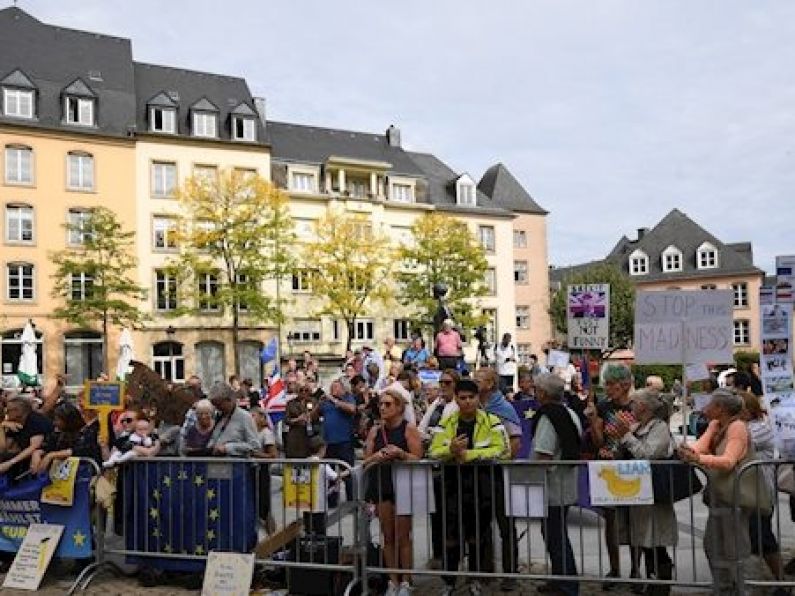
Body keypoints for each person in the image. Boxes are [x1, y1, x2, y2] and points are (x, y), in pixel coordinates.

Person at [428, 378, 509, 596]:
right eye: (462, 398)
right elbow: (433, 451)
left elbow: (503, 450)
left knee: (477, 538)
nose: (466, 402)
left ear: (477, 398)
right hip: (451, 487)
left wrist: (469, 455)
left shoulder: (492, 421)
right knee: (450, 538)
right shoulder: (446, 423)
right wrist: (451, 450)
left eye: (471, 397)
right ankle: (449, 582)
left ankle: (475, 580)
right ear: (456, 399)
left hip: (480, 487)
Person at [677, 389, 754, 593]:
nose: (706, 407)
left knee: (734, 545)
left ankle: (742, 587)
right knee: (713, 544)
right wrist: (688, 450)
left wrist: (698, 458)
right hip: (719, 495)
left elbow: (729, 461)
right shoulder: (716, 424)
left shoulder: (737, 427)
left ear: (720, 408)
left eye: (710, 404)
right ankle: (723, 586)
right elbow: (701, 446)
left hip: (735, 496)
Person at [612, 389, 677, 596]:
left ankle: (660, 586)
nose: (631, 407)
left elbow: (648, 454)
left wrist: (626, 436)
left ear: (645, 407)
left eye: (634, 403)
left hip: (654, 494)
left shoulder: (659, 428)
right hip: (637, 493)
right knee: (644, 541)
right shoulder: (636, 426)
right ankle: (652, 582)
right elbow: (624, 450)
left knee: (656, 542)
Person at [363, 387, 423, 596]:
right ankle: (393, 580)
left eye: (388, 404)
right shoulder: (375, 431)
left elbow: (418, 457)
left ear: (399, 407)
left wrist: (401, 454)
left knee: (403, 535)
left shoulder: (409, 429)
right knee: (387, 535)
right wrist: (377, 457)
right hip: (382, 483)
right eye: (381, 404)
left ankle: (406, 581)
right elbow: (366, 461)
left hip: (404, 484)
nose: (383, 408)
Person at [586, 362, 639, 587]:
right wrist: (593, 421)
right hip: (607, 466)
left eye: (611, 384)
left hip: (632, 466)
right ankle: (614, 568)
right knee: (611, 521)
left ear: (625, 385)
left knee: (634, 521)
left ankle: (636, 570)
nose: (606, 388)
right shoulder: (605, 407)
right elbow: (598, 443)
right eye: (605, 384)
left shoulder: (638, 407)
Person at [532, 373, 582, 596]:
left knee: (556, 535)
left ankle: (567, 584)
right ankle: (561, 578)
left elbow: (544, 453)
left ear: (542, 393)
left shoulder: (548, 417)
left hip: (552, 485)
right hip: (566, 483)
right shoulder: (570, 413)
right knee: (554, 533)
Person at [474, 367, 522, 590]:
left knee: (505, 525)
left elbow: (515, 440)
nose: (475, 382)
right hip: (478, 472)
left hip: (499, 472)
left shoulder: (503, 408)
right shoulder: (475, 407)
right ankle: (485, 571)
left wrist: (500, 458)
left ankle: (510, 573)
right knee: (481, 524)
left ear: (491, 383)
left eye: (479, 379)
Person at [740, 391, 786, 593]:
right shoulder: (742, 427)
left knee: (762, 536)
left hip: (760, 491)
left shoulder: (760, 428)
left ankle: (781, 581)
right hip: (744, 491)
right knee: (751, 538)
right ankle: (761, 580)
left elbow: (740, 445)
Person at [417, 369, 460, 567]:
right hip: (434, 462)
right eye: (441, 382)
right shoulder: (436, 403)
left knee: (452, 514)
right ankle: (438, 553)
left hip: (452, 464)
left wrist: (435, 437)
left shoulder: (458, 405)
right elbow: (421, 429)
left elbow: (450, 435)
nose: (443, 386)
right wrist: (432, 437)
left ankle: (453, 558)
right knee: (436, 513)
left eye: (447, 383)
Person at [311, 378, 357, 499]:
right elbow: (313, 417)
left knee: (348, 472)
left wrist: (334, 400)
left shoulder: (348, 397)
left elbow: (352, 409)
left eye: (336, 387)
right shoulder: (325, 402)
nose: (332, 390)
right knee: (329, 472)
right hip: (329, 442)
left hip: (344, 442)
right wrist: (319, 404)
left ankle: (351, 499)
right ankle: (332, 499)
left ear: (343, 389)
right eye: (331, 387)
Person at [31, 402, 102, 473]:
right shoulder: (58, 433)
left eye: (57, 420)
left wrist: (51, 455)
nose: (54, 423)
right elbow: (48, 445)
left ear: (67, 420)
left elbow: (79, 450)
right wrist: (37, 453)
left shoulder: (86, 432)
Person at [0, 395, 54, 478]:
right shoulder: (14, 423)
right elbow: (4, 448)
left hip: (42, 457)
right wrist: (1, 427)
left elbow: (34, 446)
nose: (6, 413)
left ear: (18, 411)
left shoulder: (35, 421)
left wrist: (9, 463)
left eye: (8, 411)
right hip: (23, 457)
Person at [206, 382, 259, 457]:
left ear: (229, 400)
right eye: (214, 405)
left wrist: (228, 448)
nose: (217, 408)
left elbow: (255, 446)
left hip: (237, 465)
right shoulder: (217, 416)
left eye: (219, 404)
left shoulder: (245, 417)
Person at [512, 371, 540, 459]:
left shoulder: (538, 398)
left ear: (532, 383)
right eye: (522, 382)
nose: (524, 384)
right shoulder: (515, 399)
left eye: (527, 382)